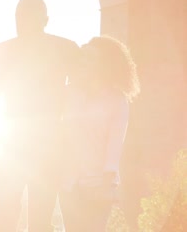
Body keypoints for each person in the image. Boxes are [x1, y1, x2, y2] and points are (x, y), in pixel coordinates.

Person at [0, 0, 81, 232]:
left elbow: (81, 95)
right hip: (18, 145)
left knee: (31, 219)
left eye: (27, 18)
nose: (22, 23)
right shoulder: (64, 47)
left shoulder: (65, 49)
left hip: (32, 145)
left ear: (45, 20)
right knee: (11, 218)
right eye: (20, 17)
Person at [59, 36, 140, 232]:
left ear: (103, 64)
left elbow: (115, 143)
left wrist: (107, 182)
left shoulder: (117, 100)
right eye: (82, 57)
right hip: (69, 183)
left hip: (99, 185)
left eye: (89, 58)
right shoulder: (68, 93)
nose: (83, 62)